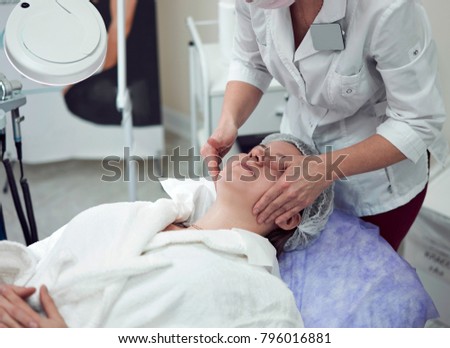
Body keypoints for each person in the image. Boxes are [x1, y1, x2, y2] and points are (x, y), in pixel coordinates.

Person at [0, 134, 332, 328]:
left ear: (290, 218)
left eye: (280, 166)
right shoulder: (142, 214)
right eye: (260, 150)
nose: (259, 155)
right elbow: (34, 257)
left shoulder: (263, 297)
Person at [201, 0, 448, 251]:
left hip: (374, 182)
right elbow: (250, 61)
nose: (255, 152)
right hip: (299, 138)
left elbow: (418, 121)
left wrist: (325, 169)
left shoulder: (387, 8)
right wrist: (228, 122)